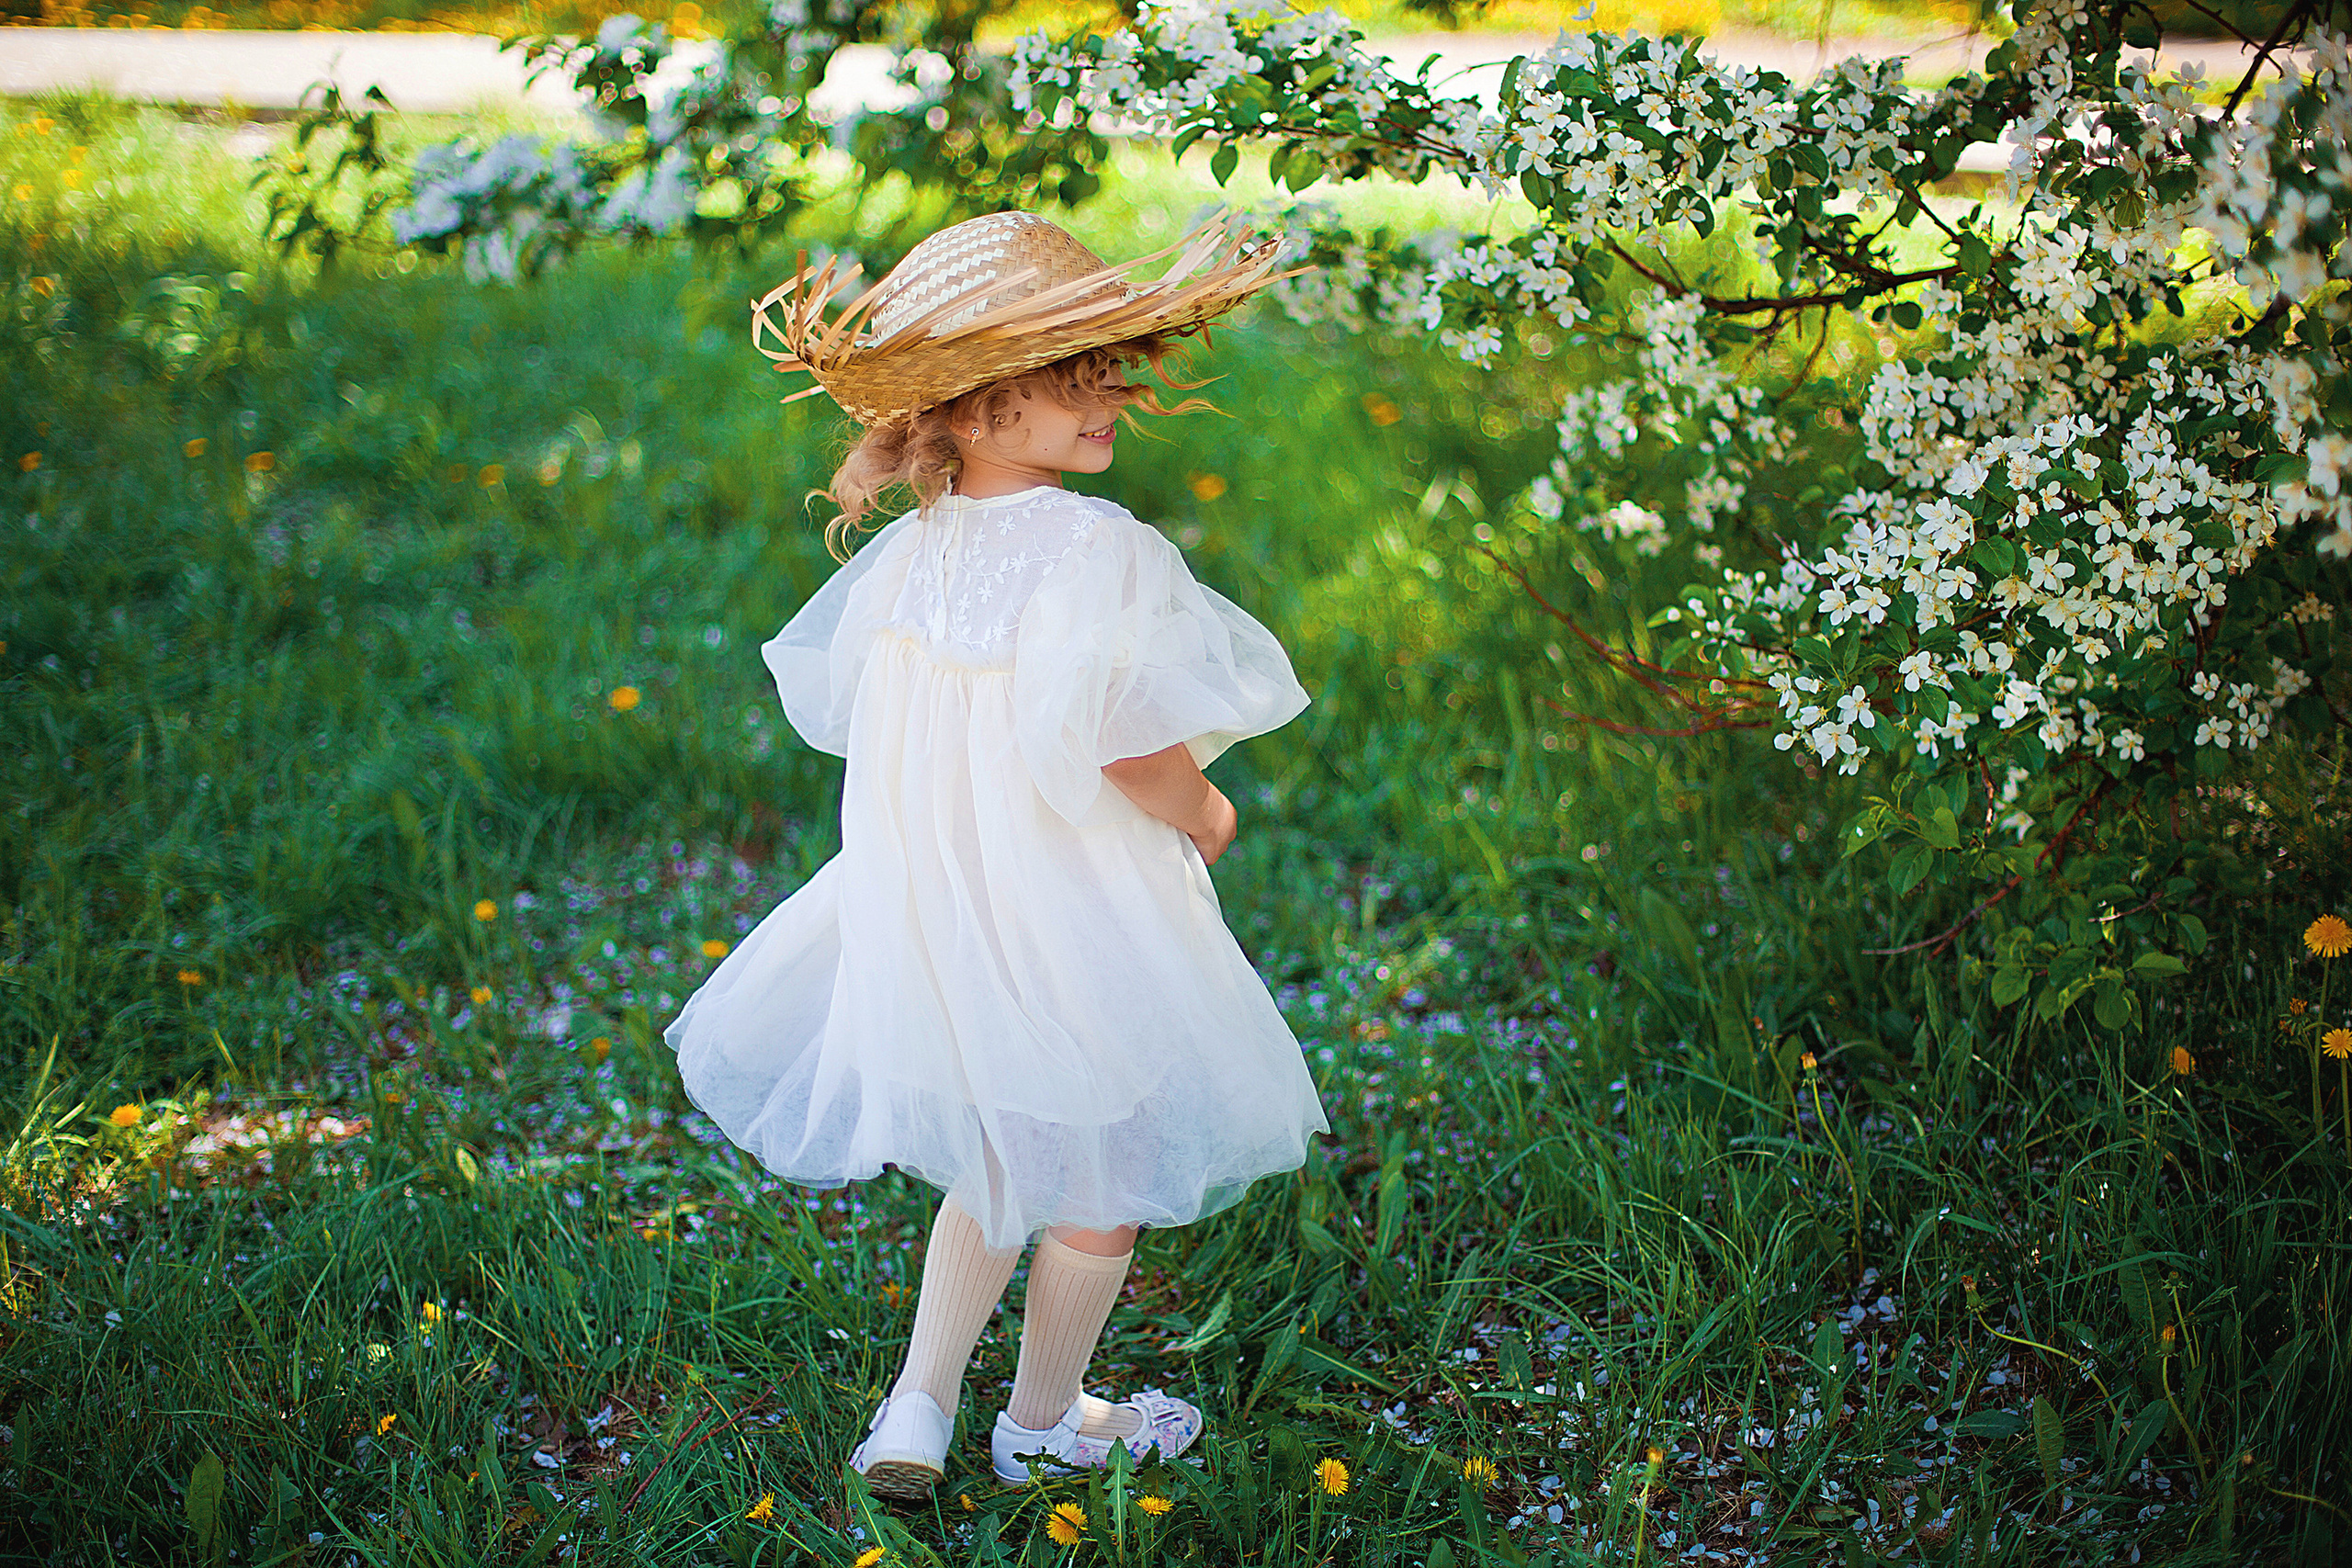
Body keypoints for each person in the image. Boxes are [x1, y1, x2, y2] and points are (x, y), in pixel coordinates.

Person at [663, 209, 1329, 1498]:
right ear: (973, 407)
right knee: (1107, 1161)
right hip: (1076, 900)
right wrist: (1204, 810)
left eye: (1109, 370)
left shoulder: (916, 551)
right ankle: (1042, 1420)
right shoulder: (1096, 546)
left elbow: (880, 724)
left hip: (949, 903)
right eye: (1072, 379)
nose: (1110, 398)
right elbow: (1123, 740)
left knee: (1002, 1150)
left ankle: (915, 1409)